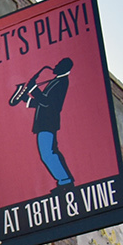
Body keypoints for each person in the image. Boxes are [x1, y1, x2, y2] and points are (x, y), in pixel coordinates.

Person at [18, 57, 74, 191]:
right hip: (45, 123)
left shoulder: (61, 82)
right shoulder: (57, 80)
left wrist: (33, 88)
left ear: (64, 67)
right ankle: (64, 181)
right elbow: (42, 104)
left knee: (47, 153)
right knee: (48, 152)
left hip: (47, 123)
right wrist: (26, 98)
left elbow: (47, 103)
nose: (56, 65)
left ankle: (65, 181)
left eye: (59, 64)